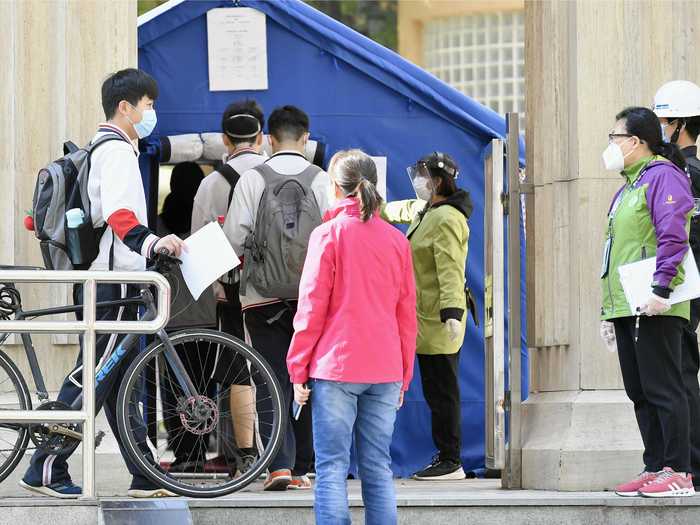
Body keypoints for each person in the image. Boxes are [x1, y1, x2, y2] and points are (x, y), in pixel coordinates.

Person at [21, 68, 185, 498]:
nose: (153, 113)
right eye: (149, 105)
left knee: (120, 377)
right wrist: (153, 244)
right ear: (126, 108)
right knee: (96, 374)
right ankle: (45, 466)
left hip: (113, 283)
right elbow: (119, 215)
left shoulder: (110, 148)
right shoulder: (115, 151)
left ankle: (144, 473)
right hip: (113, 285)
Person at [287, 149, 417, 525]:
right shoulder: (397, 241)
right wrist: (405, 373)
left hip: (337, 366)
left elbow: (311, 308)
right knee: (377, 466)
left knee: (330, 467)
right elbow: (406, 315)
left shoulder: (327, 235)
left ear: (335, 187)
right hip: (386, 367)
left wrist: (298, 369)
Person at [222, 105, 331, 490]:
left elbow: (234, 237)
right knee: (308, 377)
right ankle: (303, 467)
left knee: (270, 377)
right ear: (305, 139)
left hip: (261, 298)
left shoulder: (253, 179)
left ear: (268, 139)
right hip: (311, 299)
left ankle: (278, 467)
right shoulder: (321, 179)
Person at [598, 107, 695, 498]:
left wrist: (661, 289)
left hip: (655, 302)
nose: (611, 145)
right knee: (640, 391)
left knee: (664, 388)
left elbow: (673, 235)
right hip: (627, 305)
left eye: (615, 137)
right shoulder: (629, 186)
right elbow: (615, 251)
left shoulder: (663, 177)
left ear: (636, 141)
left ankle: (679, 470)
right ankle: (655, 463)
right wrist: (608, 310)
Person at [381, 152, 471, 481]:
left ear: (436, 181)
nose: (418, 181)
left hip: (439, 320)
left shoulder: (446, 218)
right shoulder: (427, 210)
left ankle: (451, 460)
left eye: (423, 176)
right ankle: (447, 455)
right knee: (437, 389)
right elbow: (398, 209)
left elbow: (450, 268)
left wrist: (452, 312)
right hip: (424, 318)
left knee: (443, 391)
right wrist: (370, 204)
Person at [191, 100, 268, 472]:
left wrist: (217, 286)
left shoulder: (210, 184)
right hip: (283, 291)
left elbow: (198, 244)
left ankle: (247, 454)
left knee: (239, 368)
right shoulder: (281, 176)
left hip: (232, 290)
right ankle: (290, 458)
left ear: (225, 138)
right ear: (262, 137)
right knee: (282, 369)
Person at [653, 80, 700, 489]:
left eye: (664, 120)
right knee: (682, 372)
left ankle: (690, 466)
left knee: (680, 374)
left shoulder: (682, 172)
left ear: (679, 123)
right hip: (688, 285)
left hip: (683, 286)